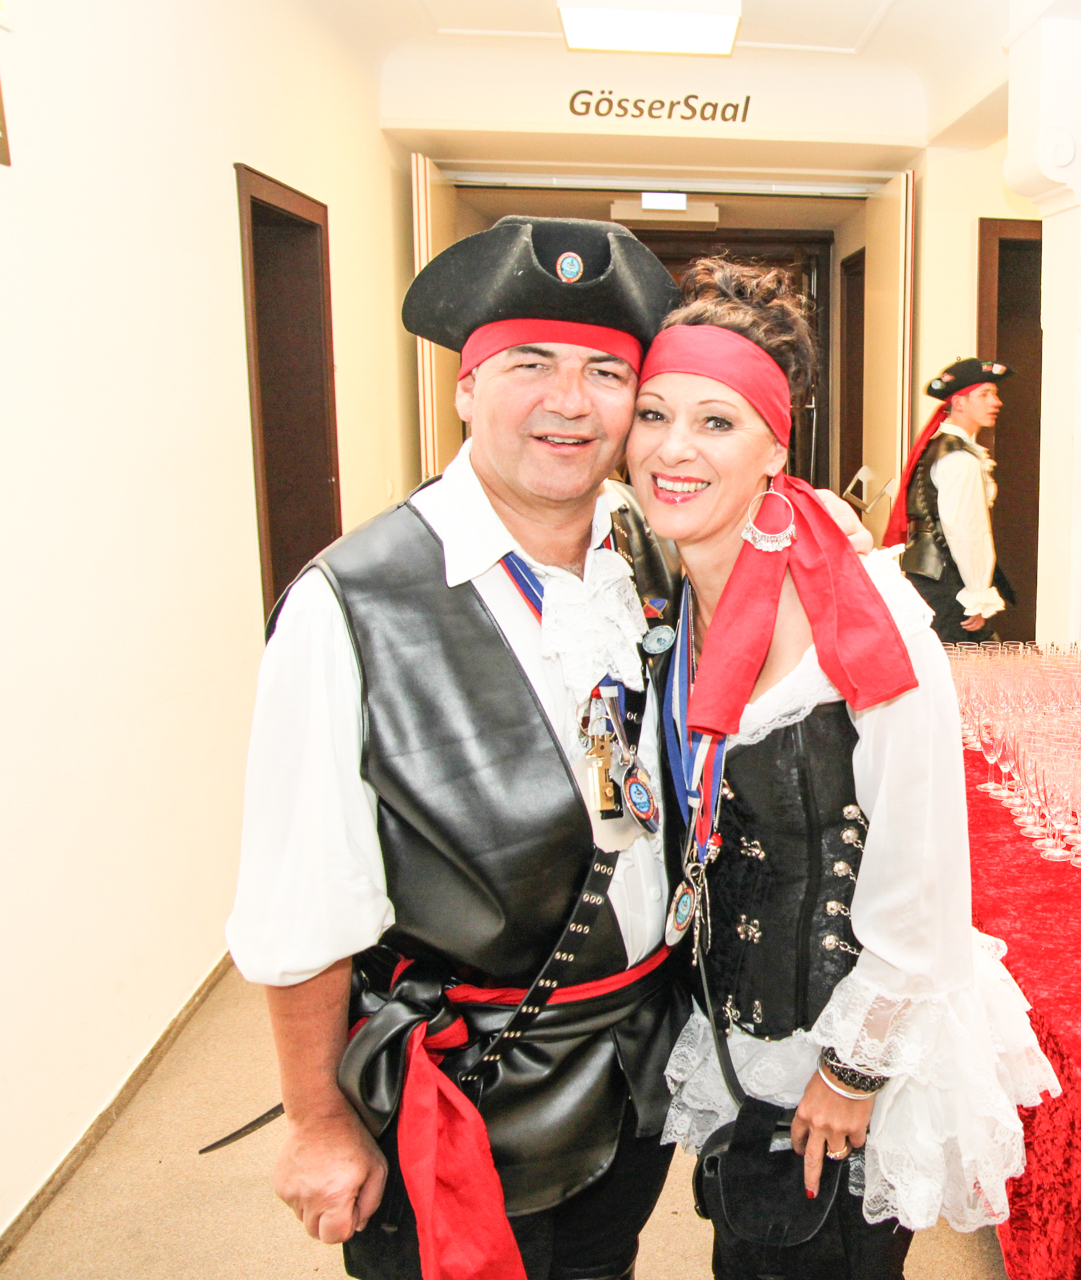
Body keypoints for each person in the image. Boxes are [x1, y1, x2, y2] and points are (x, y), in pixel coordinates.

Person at [227, 216, 696, 1280]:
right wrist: (316, 1120)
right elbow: (302, 895)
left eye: (605, 373)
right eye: (531, 363)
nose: (570, 401)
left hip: (636, 1073)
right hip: (465, 1095)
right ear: (466, 388)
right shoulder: (353, 603)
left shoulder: (649, 552)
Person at [627, 262, 1058, 1279]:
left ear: (776, 445)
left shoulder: (864, 613)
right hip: (735, 1033)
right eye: (653, 414)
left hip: (846, 1051)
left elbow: (925, 866)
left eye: (717, 421)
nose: (674, 448)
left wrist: (854, 1070)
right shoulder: (663, 579)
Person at [883, 358, 1015, 643]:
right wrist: (977, 595)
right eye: (985, 394)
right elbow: (966, 533)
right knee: (959, 663)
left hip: (929, 576)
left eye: (994, 394)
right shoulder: (960, 459)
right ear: (959, 403)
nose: (996, 402)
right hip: (948, 584)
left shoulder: (940, 446)